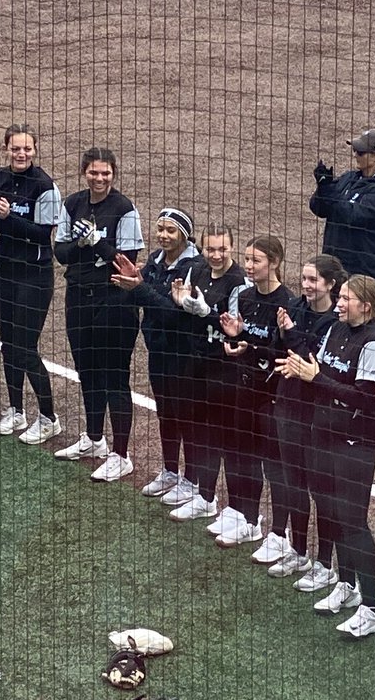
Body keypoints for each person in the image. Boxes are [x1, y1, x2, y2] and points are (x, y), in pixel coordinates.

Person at [278, 276, 375, 639]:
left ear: (367, 306)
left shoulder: (374, 344)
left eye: (347, 298)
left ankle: (371, 607)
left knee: (353, 520)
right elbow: (322, 372)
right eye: (341, 296)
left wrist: (316, 379)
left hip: (353, 443)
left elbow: (364, 398)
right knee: (328, 511)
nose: (340, 303)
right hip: (322, 434)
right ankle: (346, 585)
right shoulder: (336, 331)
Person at [49, 148, 144, 479]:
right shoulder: (73, 204)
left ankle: (121, 453)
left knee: (115, 376)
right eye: (94, 173)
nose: (100, 178)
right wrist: (80, 245)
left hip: (114, 301)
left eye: (105, 173)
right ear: (84, 173)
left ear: (113, 174)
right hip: (78, 298)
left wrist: (96, 245)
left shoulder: (124, 209)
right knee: (86, 371)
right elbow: (60, 252)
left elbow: (127, 261)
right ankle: (93, 439)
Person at [0, 124, 62, 436]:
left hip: (34, 277)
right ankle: (16, 411)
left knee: (25, 347)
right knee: (8, 346)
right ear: (6, 149)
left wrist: (8, 216)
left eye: (27, 148)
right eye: (15, 148)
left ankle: (49, 418)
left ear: (35, 150)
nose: (21, 153)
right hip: (5, 274)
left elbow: (42, 235)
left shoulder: (45, 186)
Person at [159, 224, 248, 522]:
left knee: (220, 437)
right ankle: (199, 490)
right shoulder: (196, 271)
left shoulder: (239, 283)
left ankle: (217, 501)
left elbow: (233, 326)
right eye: (211, 249)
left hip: (222, 368)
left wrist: (203, 311)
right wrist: (183, 303)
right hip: (194, 361)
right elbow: (184, 305)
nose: (216, 255)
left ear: (231, 249)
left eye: (222, 249)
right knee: (195, 427)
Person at [267, 254, 347, 580]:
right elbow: (281, 353)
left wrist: (291, 334)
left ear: (330, 284)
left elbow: (314, 363)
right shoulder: (296, 308)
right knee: (293, 484)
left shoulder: (336, 323)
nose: (306, 286)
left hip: (318, 416)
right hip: (288, 406)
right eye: (304, 279)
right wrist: (284, 333)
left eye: (313, 280)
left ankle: (324, 563)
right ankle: (299, 552)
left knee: (322, 491)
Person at [116, 208, 205, 496]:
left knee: (186, 416)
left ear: (184, 234)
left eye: (170, 231)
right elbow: (153, 301)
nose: (163, 236)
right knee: (165, 413)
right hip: (158, 350)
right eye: (161, 229)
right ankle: (169, 471)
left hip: (185, 354)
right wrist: (133, 283)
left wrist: (139, 288)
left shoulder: (195, 267)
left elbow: (172, 313)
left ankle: (192, 480)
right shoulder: (155, 259)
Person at [215, 235, 294, 548]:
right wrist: (238, 341)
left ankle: (280, 532)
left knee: (273, 468)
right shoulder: (246, 297)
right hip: (245, 390)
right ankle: (247, 519)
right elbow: (250, 345)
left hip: (272, 397)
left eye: (255, 260)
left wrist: (252, 345)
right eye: (246, 259)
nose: (248, 266)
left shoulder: (286, 302)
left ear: (273, 263)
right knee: (240, 456)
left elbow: (284, 352)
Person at [309, 129, 375, 286]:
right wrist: (323, 187)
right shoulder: (349, 178)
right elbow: (319, 209)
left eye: (360, 152)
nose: (355, 155)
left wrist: (330, 192)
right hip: (334, 267)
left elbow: (353, 216)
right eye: (355, 151)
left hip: (362, 274)